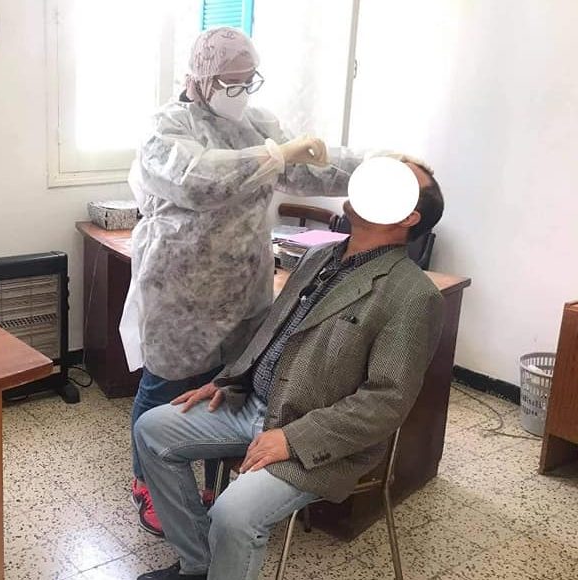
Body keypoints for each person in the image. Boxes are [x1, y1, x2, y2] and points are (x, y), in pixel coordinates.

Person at [133, 162, 446, 580]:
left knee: (233, 514)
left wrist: (292, 439)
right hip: (255, 404)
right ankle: (199, 567)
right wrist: (228, 380)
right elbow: (274, 332)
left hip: (315, 435)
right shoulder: (319, 256)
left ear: (409, 217)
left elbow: (386, 403)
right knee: (152, 429)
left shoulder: (412, 295)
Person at [121, 26, 364, 536]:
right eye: (230, 81)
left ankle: (213, 484)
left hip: (243, 288)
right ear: (201, 78)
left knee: (227, 389)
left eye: (248, 80)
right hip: (179, 292)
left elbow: (310, 171)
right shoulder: (166, 127)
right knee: (164, 386)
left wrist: (377, 167)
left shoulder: (257, 124)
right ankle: (148, 482)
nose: (240, 91)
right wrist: (276, 154)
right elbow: (199, 180)